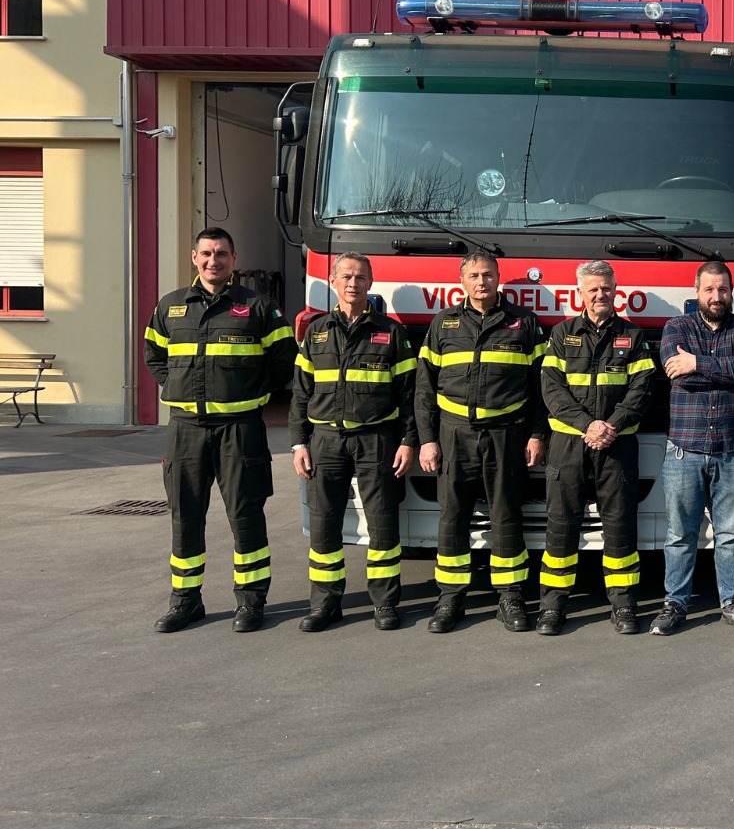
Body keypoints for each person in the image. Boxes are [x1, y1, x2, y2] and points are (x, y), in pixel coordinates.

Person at [144, 227, 295, 633]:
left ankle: (251, 602)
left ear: (234, 259)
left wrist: (252, 391)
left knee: (246, 515)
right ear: (194, 257)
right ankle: (185, 601)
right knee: (185, 517)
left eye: (222, 254)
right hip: (185, 429)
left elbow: (284, 361)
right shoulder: (171, 306)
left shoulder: (258, 307)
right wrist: (176, 388)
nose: (214, 261)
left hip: (239, 429)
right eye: (207, 253)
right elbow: (154, 355)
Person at [415, 252, 547, 633]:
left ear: (498, 277)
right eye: (473, 275)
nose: (481, 281)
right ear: (462, 281)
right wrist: (427, 439)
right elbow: (424, 387)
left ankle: (510, 596)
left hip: (506, 433)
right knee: (452, 515)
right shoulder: (443, 323)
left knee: (507, 514)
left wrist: (537, 434)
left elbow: (542, 386)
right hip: (454, 433)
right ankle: (450, 599)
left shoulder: (524, 323)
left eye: (487, 274)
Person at [288, 253, 418, 632]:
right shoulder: (316, 332)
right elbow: (300, 394)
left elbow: (408, 394)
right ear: (333, 281)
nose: (353, 283)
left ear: (370, 283)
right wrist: (298, 444)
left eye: (360, 277)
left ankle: (384, 603)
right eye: (345, 276)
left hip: (376, 438)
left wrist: (408, 440)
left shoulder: (391, 332)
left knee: (383, 522)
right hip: (325, 440)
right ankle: (325, 604)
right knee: (324, 523)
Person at [538, 260, 656, 635]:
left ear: (615, 291)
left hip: (617, 446)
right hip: (569, 445)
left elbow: (643, 390)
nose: (600, 294)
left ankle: (624, 606)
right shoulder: (561, 334)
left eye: (606, 288)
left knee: (620, 526)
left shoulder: (633, 336)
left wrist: (612, 425)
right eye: (593, 289)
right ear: (580, 294)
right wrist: (587, 424)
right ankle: (552, 607)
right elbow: (552, 389)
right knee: (560, 526)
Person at [651, 260, 734, 635]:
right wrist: (727, 375)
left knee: (730, 534)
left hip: (733, 449)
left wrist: (696, 363)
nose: (717, 296)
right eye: (710, 289)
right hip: (685, 449)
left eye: (723, 289)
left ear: (731, 292)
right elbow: (676, 375)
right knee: (680, 535)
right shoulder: (676, 327)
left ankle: (732, 603)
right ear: (697, 291)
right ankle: (675, 604)